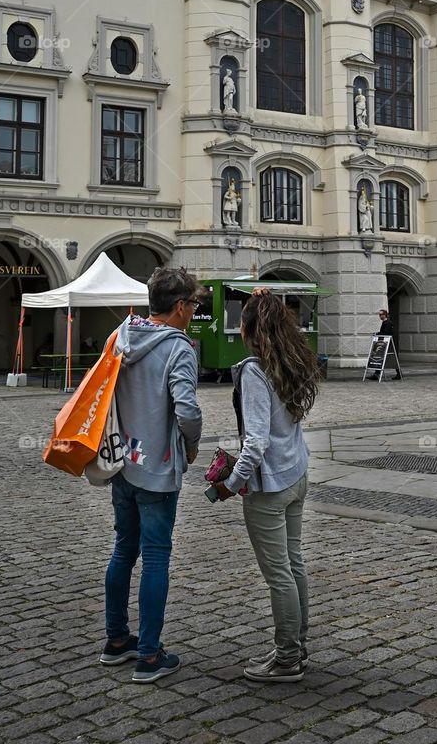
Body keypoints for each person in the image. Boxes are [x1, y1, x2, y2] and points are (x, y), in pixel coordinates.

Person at [101, 266, 203, 683]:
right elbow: (188, 410)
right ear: (179, 306)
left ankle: (116, 640)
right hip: (157, 467)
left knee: (124, 548)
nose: (195, 311)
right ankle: (148, 655)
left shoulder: (119, 336)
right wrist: (191, 444)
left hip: (122, 460)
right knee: (156, 556)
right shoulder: (178, 347)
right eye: (194, 304)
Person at [212, 290, 318, 683]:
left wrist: (232, 483)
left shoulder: (255, 371)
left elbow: (256, 441)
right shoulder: (290, 361)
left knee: (279, 575)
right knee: (293, 566)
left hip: (269, 487)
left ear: (250, 329)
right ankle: (297, 646)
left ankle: (288, 658)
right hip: (296, 473)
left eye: (241, 320)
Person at [378, 308, 401, 380]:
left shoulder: (388, 322)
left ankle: (399, 374)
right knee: (379, 357)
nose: (380, 316)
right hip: (386, 342)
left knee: (392, 359)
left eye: (381, 314)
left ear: (385, 315)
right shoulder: (385, 322)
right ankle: (377, 373)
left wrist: (377, 334)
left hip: (389, 343)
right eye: (379, 314)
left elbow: (386, 332)